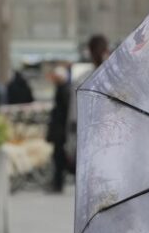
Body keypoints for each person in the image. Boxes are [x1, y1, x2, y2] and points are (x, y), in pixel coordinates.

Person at [65, 34, 111, 171]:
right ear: (107, 51)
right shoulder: (115, 80)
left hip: (87, 142)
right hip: (111, 142)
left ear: (89, 52)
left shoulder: (81, 81)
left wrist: (70, 146)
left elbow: (73, 118)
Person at [46, 67, 70, 193]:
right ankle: (57, 183)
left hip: (60, 131)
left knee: (59, 158)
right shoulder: (62, 89)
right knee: (58, 157)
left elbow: (64, 112)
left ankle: (58, 184)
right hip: (59, 130)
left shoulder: (63, 90)